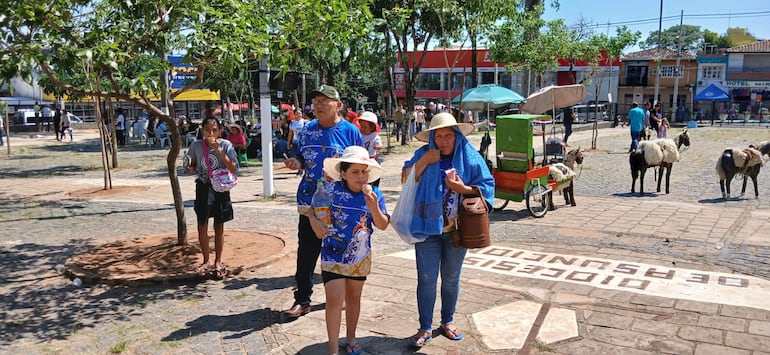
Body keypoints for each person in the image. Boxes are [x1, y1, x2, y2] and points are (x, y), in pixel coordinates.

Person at [401, 112, 494, 347]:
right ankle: (424, 327)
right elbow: (405, 177)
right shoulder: (423, 154)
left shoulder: (470, 157)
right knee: (426, 279)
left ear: (457, 136)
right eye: (438, 136)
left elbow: (487, 186)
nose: (443, 140)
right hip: (426, 228)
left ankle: (448, 321)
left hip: (458, 230)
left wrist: (461, 187)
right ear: (432, 137)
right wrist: (424, 162)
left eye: (448, 136)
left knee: (451, 278)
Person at [283, 85, 364, 318]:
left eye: (323, 101)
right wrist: (296, 163)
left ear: (337, 105)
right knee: (307, 251)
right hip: (311, 202)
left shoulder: (350, 132)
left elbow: (362, 165)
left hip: (342, 203)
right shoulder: (307, 130)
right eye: (315, 101)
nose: (317, 105)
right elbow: (301, 157)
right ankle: (303, 299)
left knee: (344, 250)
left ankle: (346, 296)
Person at [318, 145, 389, 355]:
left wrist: (374, 207)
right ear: (343, 173)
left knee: (353, 298)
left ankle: (350, 339)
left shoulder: (375, 193)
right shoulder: (330, 190)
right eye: (355, 172)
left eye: (364, 171)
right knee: (333, 298)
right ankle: (333, 349)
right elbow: (315, 210)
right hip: (333, 251)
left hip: (360, 256)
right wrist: (314, 220)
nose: (361, 177)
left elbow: (383, 224)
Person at [184, 118, 238, 279]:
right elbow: (191, 166)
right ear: (202, 131)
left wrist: (219, 150)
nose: (211, 133)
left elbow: (234, 168)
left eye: (214, 130)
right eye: (207, 130)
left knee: (219, 225)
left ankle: (218, 261)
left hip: (220, 188)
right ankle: (206, 260)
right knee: (202, 223)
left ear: (220, 130)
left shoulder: (227, 145)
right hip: (203, 186)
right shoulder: (196, 146)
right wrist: (189, 167)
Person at [358, 111, 384, 186]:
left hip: (372, 157)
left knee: (375, 172)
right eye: (361, 126)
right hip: (362, 158)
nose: (362, 129)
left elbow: (380, 145)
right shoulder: (360, 135)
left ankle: (374, 186)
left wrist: (377, 147)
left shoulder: (374, 136)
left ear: (372, 127)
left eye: (365, 127)